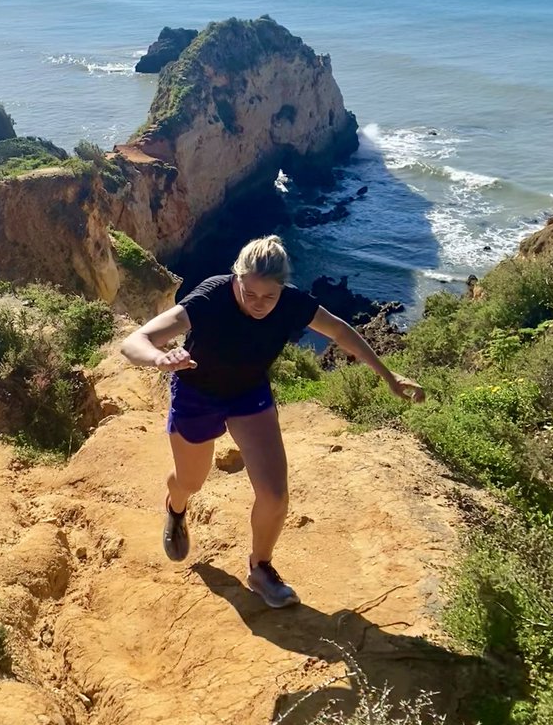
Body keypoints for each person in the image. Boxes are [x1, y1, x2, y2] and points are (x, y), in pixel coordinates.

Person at [120, 235, 425, 608]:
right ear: (236, 278)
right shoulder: (210, 297)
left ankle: (260, 568)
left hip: (249, 395)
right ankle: (175, 508)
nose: (259, 304)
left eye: (270, 296)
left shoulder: (293, 304)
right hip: (198, 394)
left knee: (275, 494)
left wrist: (389, 376)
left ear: (283, 287)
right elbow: (137, 339)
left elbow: (342, 332)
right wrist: (158, 359)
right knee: (191, 481)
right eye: (250, 293)